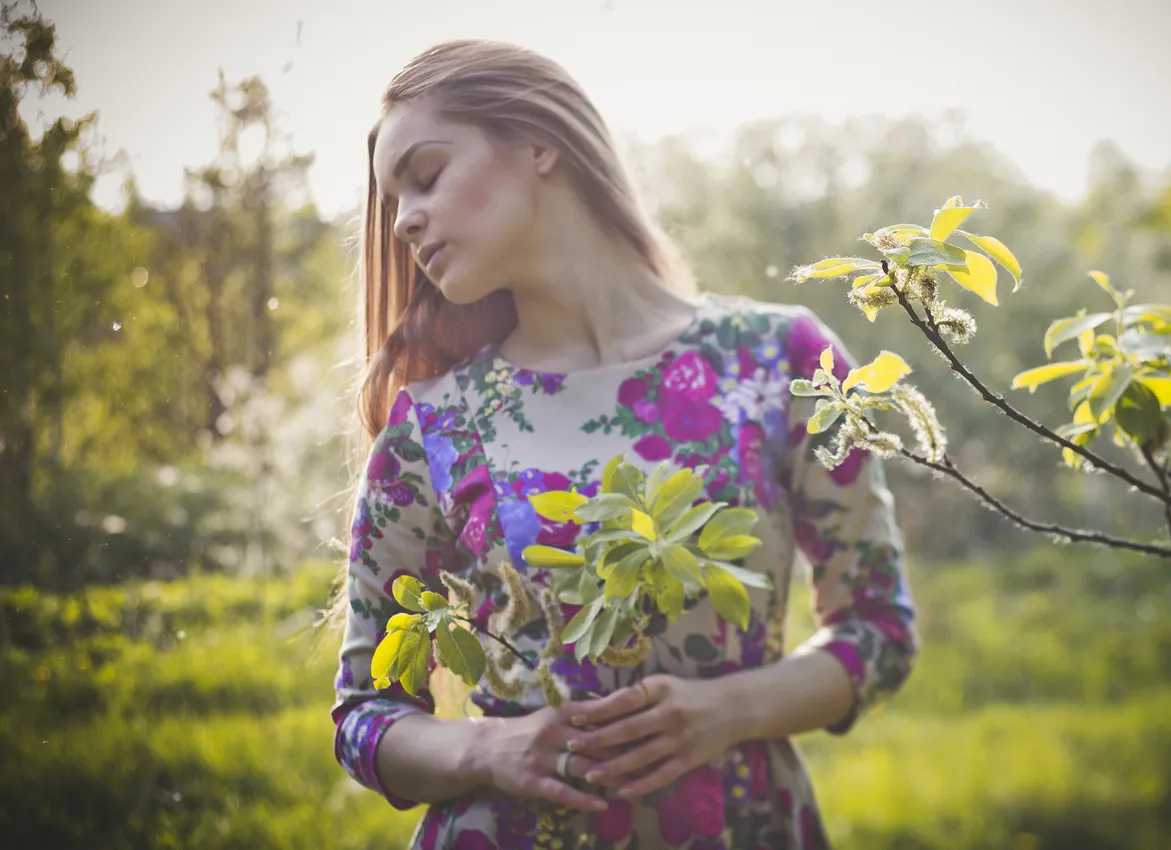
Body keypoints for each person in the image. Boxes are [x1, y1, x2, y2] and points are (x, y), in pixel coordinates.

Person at [331, 38, 919, 850]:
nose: (403, 221)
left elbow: (880, 630)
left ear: (538, 143)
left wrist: (729, 710)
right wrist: (489, 748)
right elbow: (365, 715)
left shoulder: (779, 361)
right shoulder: (430, 425)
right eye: (394, 202)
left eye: (425, 175)